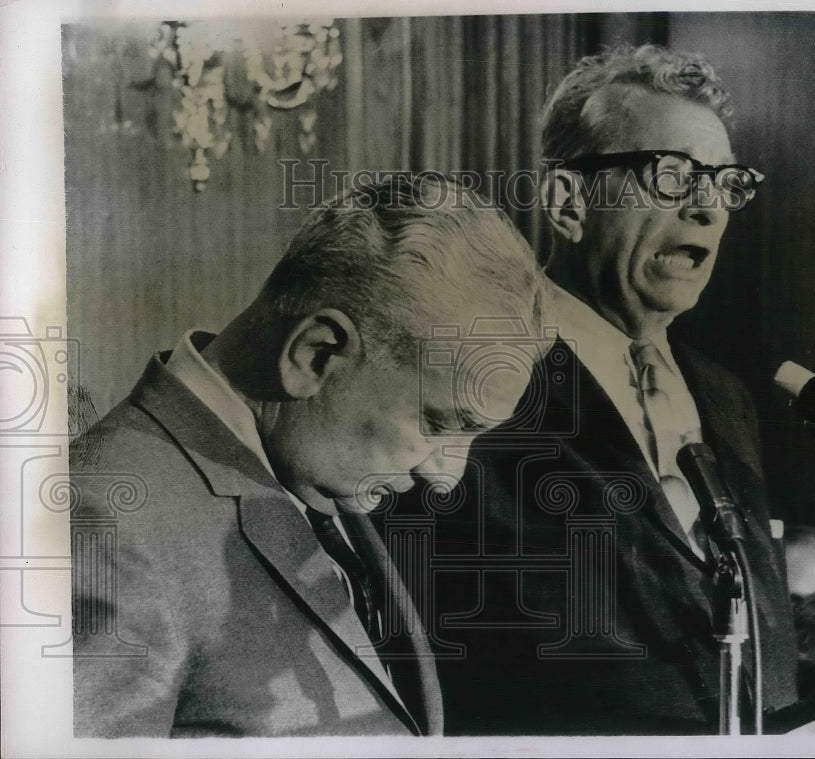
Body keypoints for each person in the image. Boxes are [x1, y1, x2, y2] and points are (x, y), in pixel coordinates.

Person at [409, 45, 800, 734]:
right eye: (674, 176)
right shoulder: (473, 375)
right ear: (568, 202)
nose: (710, 208)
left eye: (727, 182)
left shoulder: (727, 396)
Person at [69, 176, 545, 737]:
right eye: (437, 423)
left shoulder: (316, 475)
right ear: (316, 354)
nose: (446, 476)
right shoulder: (104, 525)